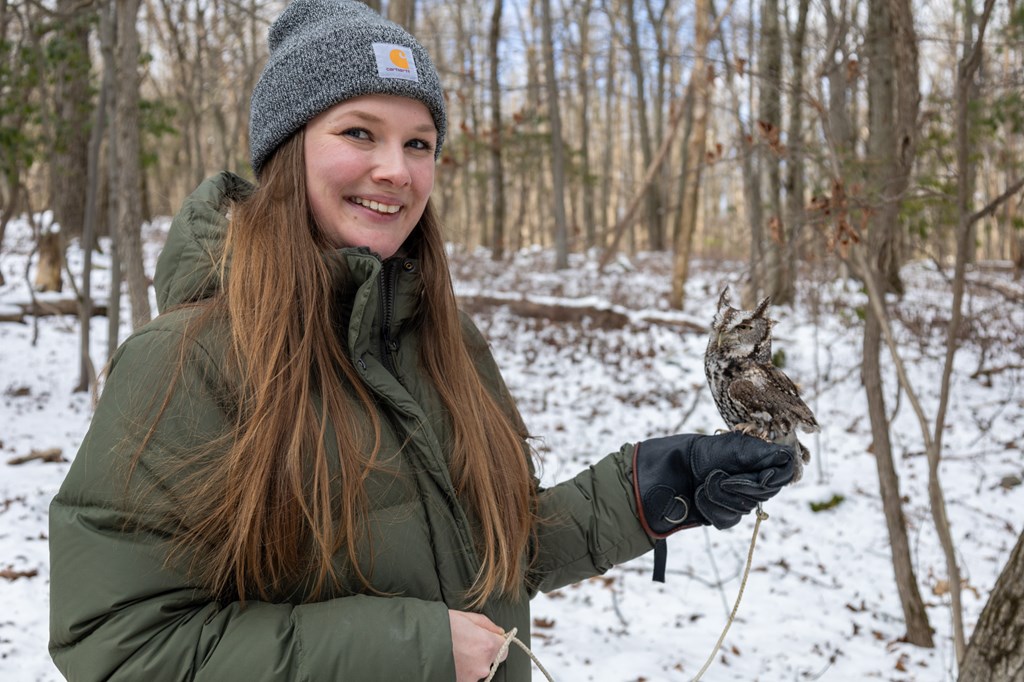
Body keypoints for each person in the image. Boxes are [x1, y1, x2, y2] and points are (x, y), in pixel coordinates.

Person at [47, 1, 796, 680]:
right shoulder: (189, 360)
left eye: (420, 143)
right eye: (358, 133)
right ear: (286, 150)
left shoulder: (442, 339)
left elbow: (492, 553)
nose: (394, 171)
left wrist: (647, 492)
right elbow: (119, 645)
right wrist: (414, 649)